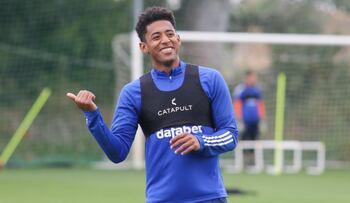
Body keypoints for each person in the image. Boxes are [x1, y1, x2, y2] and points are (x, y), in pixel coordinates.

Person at [67, 6, 237, 203]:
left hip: (209, 198)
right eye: (156, 37)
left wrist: (201, 141)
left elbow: (230, 135)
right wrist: (92, 115)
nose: (165, 40)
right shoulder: (133, 92)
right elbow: (117, 152)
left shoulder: (210, 79)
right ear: (143, 47)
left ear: (178, 39)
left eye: (170, 34)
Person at [233, 70, 266, 141]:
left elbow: (261, 105)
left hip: (255, 124)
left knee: (255, 145)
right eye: (251, 77)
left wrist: (262, 120)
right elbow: (237, 105)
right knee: (244, 144)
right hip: (245, 123)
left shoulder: (258, 89)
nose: (253, 79)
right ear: (247, 78)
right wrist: (239, 120)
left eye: (254, 77)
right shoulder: (240, 89)